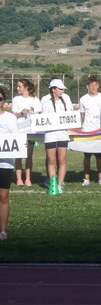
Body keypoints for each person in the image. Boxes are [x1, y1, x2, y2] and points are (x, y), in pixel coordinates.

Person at [42, 79, 73, 195]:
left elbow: (71, 116)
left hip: (63, 135)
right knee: (51, 160)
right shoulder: (45, 103)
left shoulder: (66, 100)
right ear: (53, 89)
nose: (62, 91)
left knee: (62, 160)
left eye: (62, 89)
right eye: (60, 89)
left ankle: (59, 185)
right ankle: (53, 183)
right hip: (50, 135)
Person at [77, 76, 101, 186]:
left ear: (98, 86)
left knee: (99, 156)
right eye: (91, 85)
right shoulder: (83, 99)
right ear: (87, 87)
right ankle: (86, 179)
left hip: (100, 131)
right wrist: (79, 129)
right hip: (87, 131)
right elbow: (82, 115)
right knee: (87, 156)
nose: (93, 87)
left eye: (95, 85)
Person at [11, 79, 41, 187]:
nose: (18, 88)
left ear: (26, 87)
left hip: (31, 131)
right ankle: (19, 179)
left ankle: (28, 178)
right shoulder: (16, 99)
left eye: (20, 86)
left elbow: (39, 115)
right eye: (17, 86)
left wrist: (33, 111)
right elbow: (13, 116)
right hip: (19, 130)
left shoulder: (35, 99)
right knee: (18, 155)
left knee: (29, 156)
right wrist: (21, 113)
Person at [0, 87, 19, 241]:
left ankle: (3, 231)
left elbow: (16, 139)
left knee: (4, 197)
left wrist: (21, 146)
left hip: (5, 163)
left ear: (3, 101)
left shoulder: (10, 118)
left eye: (0, 98)